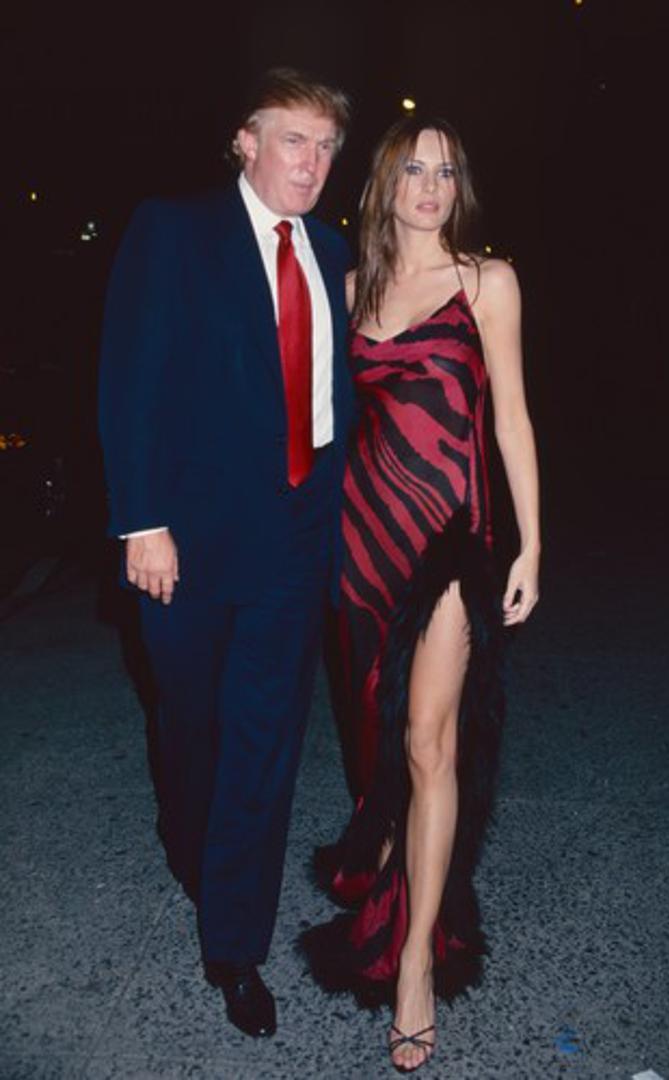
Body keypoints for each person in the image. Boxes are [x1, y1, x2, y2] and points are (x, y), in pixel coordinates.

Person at [98, 69, 353, 1039]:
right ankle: (190, 838)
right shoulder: (175, 230)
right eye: (294, 139)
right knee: (190, 724)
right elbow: (131, 378)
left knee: (264, 742)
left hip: (297, 539)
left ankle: (235, 945)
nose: (312, 163)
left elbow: (340, 397)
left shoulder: (332, 252)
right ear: (245, 140)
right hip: (188, 542)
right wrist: (142, 519)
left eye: (326, 147)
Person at [300, 116, 540, 1071]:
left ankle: (412, 964)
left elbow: (511, 418)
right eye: (413, 170)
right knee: (374, 732)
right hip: (360, 542)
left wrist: (530, 545)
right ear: (383, 186)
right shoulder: (348, 289)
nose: (431, 186)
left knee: (428, 741)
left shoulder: (487, 282)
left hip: (448, 543)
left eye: (445, 171)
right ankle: (387, 852)